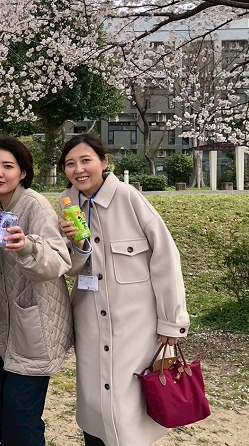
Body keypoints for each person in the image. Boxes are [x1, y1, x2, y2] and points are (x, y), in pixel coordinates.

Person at [56, 134, 190, 446]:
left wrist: (172, 321)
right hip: (90, 322)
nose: (78, 169)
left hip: (136, 328)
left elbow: (165, 258)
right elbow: (70, 268)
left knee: (130, 408)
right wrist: (77, 245)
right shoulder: (66, 204)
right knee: (95, 406)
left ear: (104, 162)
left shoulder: (129, 198)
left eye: (86, 160)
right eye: (70, 164)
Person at [0, 137, 73, 446]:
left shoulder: (35, 205)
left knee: (20, 413)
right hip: (5, 324)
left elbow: (58, 260)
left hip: (37, 324)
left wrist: (27, 246)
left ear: (23, 172)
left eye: (7, 166)